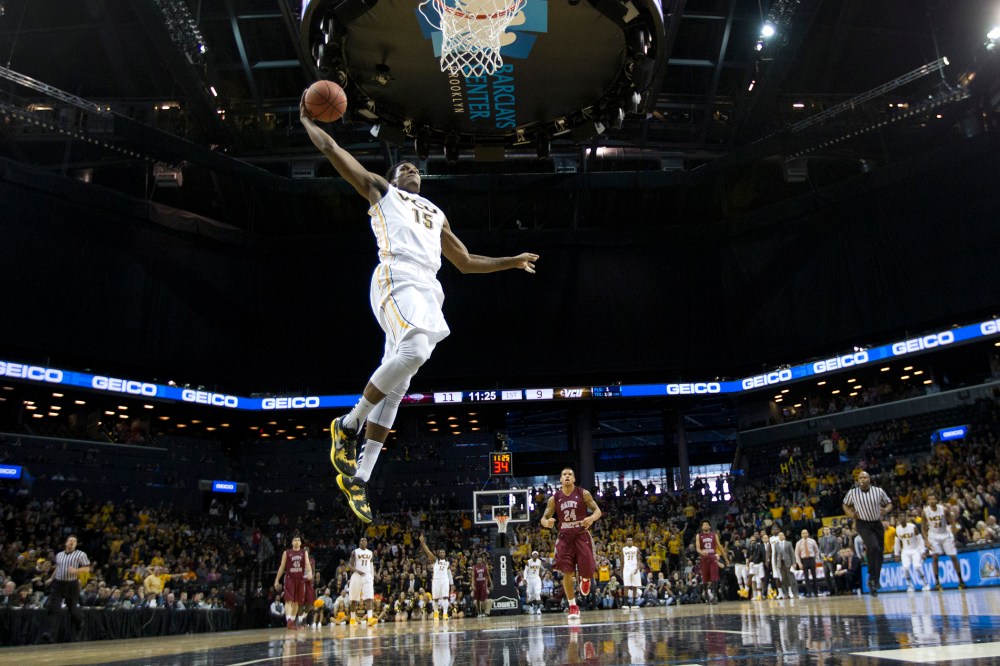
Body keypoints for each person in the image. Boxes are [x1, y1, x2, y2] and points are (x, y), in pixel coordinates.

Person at [300, 98, 540, 524]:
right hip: (396, 276)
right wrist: (307, 120)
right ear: (393, 177)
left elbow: (464, 262)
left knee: (400, 380)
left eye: (415, 168)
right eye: (403, 167)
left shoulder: (436, 213)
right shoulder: (383, 192)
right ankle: (349, 423)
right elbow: (333, 152)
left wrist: (510, 260)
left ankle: (361, 477)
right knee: (415, 352)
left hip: (429, 287)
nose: (410, 168)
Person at [540, 466, 602, 620]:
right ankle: (573, 606)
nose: (567, 476)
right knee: (567, 572)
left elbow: (597, 511)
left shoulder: (583, 493)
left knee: (587, 569)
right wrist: (546, 522)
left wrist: (591, 518)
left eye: (570, 474)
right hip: (564, 538)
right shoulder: (554, 498)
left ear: (574, 479)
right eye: (564, 475)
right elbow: (544, 517)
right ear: (561, 479)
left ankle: (586, 579)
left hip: (581, 535)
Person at [842, 471, 892, 596]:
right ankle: (871, 576)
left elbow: (889, 503)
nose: (862, 479)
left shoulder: (878, 491)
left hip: (876, 523)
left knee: (879, 551)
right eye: (860, 478)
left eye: (865, 477)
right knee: (873, 547)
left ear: (869, 479)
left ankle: (875, 578)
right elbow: (845, 505)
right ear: (858, 480)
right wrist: (850, 513)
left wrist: (885, 510)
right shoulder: (852, 492)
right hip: (862, 523)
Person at [41, 534, 91, 643]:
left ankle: (80, 621)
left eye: (74, 541)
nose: (72, 542)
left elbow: (87, 568)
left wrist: (76, 571)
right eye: (70, 540)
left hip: (72, 585)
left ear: (76, 544)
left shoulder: (80, 554)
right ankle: (50, 634)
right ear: (66, 543)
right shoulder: (59, 555)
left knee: (72, 609)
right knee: (54, 608)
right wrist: (51, 578)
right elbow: (59, 567)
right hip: (58, 584)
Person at [922, 494, 967, 590]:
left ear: (936, 500)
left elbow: (952, 521)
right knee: (935, 556)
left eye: (933, 498)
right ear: (928, 501)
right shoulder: (925, 511)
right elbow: (923, 527)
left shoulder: (943, 509)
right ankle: (937, 582)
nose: (931, 500)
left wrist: (954, 535)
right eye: (929, 499)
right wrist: (926, 540)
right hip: (933, 536)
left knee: (953, 556)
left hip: (945, 534)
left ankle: (961, 580)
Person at [273, 534, 313, 630]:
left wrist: (310, 573)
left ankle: (292, 622)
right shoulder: (287, 553)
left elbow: (308, 565)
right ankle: (289, 621)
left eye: (298, 540)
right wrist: (276, 580)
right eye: (295, 540)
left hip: (300, 579)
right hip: (290, 578)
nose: (296, 542)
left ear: (300, 542)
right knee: (289, 600)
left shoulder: (304, 553)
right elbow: (282, 567)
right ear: (292, 542)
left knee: (296, 602)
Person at [419, 534, 453, 620]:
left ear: (445, 553)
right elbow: (427, 551)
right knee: (435, 598)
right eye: (440, 552)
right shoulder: (435, 559)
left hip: (445, 580)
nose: (442, 553)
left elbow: (449, 573)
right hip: (436, 580)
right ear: (438, 553)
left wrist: (451, 583)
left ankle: (445, 614)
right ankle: (436, 613)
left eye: (443, 552)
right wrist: (423, 543)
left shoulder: (448, 563)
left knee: (445, 597)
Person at [694, 521, 729, 604]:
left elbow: (720, 547)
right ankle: (706, 595)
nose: (705, 526)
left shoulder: (714, 535)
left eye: (707, 525)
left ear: (709, 526)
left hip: (713, 558)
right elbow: (698, 548)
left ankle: (715, 596)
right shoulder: (699, 535)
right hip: (704, 559)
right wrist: (702, 552)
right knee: (705, 579)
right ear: (702, 527)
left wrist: (726, 559)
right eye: (703, 525)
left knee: (715, 578)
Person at [348, 536, 378, 627]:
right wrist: (357, 570)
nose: (363, 541)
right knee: (354, 599)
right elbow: (350, 565)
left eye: (365, 540)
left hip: (367, 576)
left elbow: (371, 565)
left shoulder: (370, 553)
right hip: (356, 576)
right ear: (359, 543)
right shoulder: (355, 552)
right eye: (361, 540)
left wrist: (373, 576)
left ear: (367, 543)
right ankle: (352, 619)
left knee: (369, 598)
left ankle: (370, 618)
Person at [894, 512, 928, 592]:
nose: (902, 518)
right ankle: (910, 585)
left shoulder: (912, 527)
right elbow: (897, 543)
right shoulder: (897, 529)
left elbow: (920, 539)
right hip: (905, 551)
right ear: (898, 519)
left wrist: (923, 551)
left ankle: (925, 583)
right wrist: (896, 554)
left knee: (917, 567)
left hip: (915, 549)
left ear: (906, 518)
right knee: (905, 568)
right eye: (900, 517)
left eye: (903, 516)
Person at [794, 529, 820, 597]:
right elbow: (796, 554)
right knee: (806, 578)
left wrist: (816, 559)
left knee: (814, 577)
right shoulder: (798, 543)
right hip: (804, 560)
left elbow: (817, 550)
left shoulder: (812, 541)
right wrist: (799, 563)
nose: (804, 534)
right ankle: (809, 592)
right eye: (803, 533)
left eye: (805, 533)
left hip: (811, 559)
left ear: (808, 534)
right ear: (801, 534)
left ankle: (816, 592)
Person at [773, 532, 797, 599]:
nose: (781, 536)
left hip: (788, 563)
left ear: (784, 536)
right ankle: (785, 593)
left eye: (782, 535)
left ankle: (793, 592)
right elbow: (775, 555)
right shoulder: (776, 544)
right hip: (780, 563)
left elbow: (792, 554)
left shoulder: (788, 543)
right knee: (783, 579)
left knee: (791, 578)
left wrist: (793, 563)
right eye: (779, 535)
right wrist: (775, 564)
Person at [621, 536, 642, 610]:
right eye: (628, 540)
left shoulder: (636, 549)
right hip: (627, 567)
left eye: (631, 540)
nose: (629, 541)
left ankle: (633, 603)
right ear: (626, 542)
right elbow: (622, 561)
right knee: (626, 585)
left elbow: (639, 559)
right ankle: (626, 603)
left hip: (634, 567)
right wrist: (621, 571)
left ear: (632, 542)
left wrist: (638, 567)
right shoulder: (623, 549)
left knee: (635, 585)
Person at [818, 526, 839, 596]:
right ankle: (831, 591)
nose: (826, 531)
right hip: (824, 560)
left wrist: (830, 554)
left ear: (829, 530)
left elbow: (836, 548)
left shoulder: (834, 538)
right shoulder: (821, 539)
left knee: (834, 575)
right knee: (826, 577)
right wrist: (821, 554)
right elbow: (820, 548)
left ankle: (837, 590)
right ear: (823, 531)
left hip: (832, 559)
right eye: (825, 530)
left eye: (827, 529)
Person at [523, 550, 544, 615]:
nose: (535, 555)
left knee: (537, 594)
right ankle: (531, 607)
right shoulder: (528, 562)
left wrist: (542, 580)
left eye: (536, 554)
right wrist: (524, 579)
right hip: (530, 579)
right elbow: (525, 571)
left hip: (537, 578)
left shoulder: (539, 561)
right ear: (532, 555)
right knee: (530, 595)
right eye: (534, 554)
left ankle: (538, 609)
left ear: (537, 555)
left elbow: (540, 571)